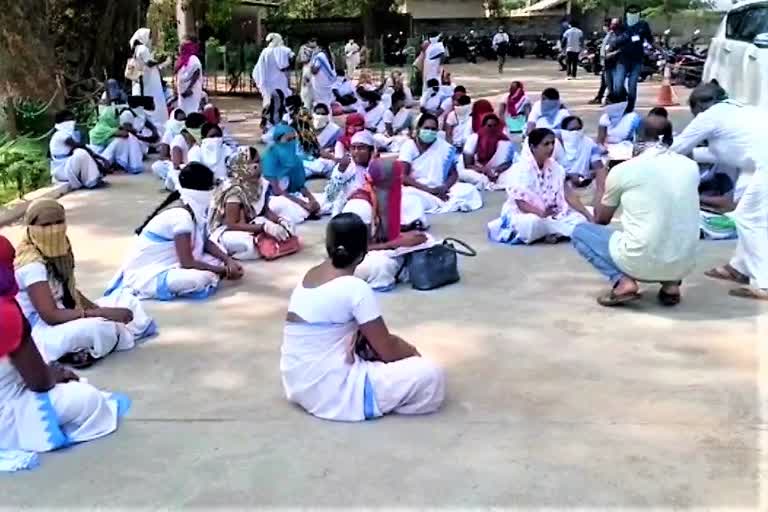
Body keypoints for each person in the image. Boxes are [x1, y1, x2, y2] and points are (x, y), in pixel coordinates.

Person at [280, 212, 445, 422]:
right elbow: (387, 348)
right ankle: (376, 398)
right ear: (364, 252)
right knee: (430, 374)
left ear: (328, 246)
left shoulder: (311, 274)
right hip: (331, 392)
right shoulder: (355, 288)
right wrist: (413, 353)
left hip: (296, 383)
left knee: (366, 344)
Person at [0, 235, 129, 462]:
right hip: (7, 413)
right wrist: (56, 374)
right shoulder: (7, 314)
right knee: (87, 397)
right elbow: (39, 383)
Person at [572, 115, 700, 306]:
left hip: (639, 261)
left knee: (580, 232)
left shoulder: (624, 170)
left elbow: (601, 219)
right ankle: (671, 286)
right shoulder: (691, 167)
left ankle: (623, 283)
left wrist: (601, 183)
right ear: (670, 140)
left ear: (636, 139)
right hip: (683, 262)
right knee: (673, 222)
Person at [14, 199, 154, 367]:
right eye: (45, 225)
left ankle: (91, 344)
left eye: (59, 222)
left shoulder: (60, 247)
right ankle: (75, 350)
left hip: (66, 312)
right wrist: (100, 313)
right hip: (42, 330)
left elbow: (69, 289)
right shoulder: (32, 265)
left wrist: (97, 308)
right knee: (101, 328)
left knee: (127, 301)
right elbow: (50, 316)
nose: (54, 229)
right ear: (31, 227)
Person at [670, 82, 768, 300]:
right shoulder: (741, 110)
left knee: (749, 218)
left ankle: (764, 282)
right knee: (747, 213)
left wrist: (646, 156)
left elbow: (676, 148)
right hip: (755, 165)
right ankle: (740, 267)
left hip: (763, 165)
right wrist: (693, 155)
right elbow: (729, 151)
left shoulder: (710, 116)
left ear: (699, 106)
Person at [106, 163, 244, 301]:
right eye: (211, 187)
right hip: (148, 271)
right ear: (202, 190)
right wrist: (224, 270)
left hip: (173, 261)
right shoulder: (181, 216)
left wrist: (228, 260)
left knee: (218, 255)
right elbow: (187, 262)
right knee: (199, 279)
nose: (213, 191)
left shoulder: (193, 209)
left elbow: (205, 242)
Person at [487, 128, 591, 245]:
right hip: (525, 214)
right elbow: (520, 203)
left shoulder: (556, 168)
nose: (551, 147)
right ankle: (556, 232)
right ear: (532, 147)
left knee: (581, 218)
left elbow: (568, 195)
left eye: (552, 143)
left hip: (552, 213)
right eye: (546, 144)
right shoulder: (519, 170)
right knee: (532, 223)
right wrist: (542, 214)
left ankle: (552, 232)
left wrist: (587, 215)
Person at [209, 150, 294, 260]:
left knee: (287, 227)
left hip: (250, 223)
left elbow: (265, 210)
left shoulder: (260, 184)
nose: (257, 166)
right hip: (227, 230)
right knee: (248, 243)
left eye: (259, 161)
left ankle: (266, 244)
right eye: (254, 162)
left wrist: (280, 221)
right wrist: (264, 227)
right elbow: (232, 224)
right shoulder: (234, 191)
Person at [398, 113, 483, 216]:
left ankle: (438, 200)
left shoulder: (444, 147)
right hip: (418, 189)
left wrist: (444, 188)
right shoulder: (409, 146)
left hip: (441, 188)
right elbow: (403, 176)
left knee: (469, 190)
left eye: (433, 129)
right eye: (426, 128)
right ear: (419, 128)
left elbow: (453, 174)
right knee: (408, 198)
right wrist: (428, 190)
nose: (430, 131)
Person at [263, 124, 323, 225]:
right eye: (288, 140)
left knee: (323, 200)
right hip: (274, 197)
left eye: (294, 139)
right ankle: (305, 211)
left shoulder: (295, 159)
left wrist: (312, 199)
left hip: (292, 195)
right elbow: (276, 191)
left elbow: (300, 186)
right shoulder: (269, 158)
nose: (292, 143)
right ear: (278, 141)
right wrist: (303, 203)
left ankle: (307, 211)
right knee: (279, 205)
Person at [610, 5, 653, 111]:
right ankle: (620, 103)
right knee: (618, 85)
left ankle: (629, 108)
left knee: (632, 86)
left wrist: (662, 51)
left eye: (635, 13)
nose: (633, 15)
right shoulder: (622, 25)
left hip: (637, 59)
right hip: (622, 59)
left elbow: (650, 40)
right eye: (631, 13)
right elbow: (614, 41)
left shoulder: (643, 25)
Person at [48, 111, 103, 189]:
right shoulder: (60, 135)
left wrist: (99, 158)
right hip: (61, 171)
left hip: (66, 166)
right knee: (81, 153)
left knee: (84, 151)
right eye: (69, 120)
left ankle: (94, 178)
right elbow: (80, 146)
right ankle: (91, 181)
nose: (72, 122)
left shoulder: (68, 133)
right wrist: (99, 159)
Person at [461, 112, 516, 190]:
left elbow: (509, 162)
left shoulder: (504, 140)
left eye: (495, 126)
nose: (492, 128)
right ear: (483, 126)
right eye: (489, 126)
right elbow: (468, 165)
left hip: (497, 172)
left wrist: (496, 171)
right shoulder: (473, 138)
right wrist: (485, 171)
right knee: (464, 173)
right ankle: (488, 183)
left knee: (514, 174)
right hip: (478, 171)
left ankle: (493, 182)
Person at [252, 33, 295, 130]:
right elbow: (292, 57)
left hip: (268, 82)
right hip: (280, 81)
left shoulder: (265, 52)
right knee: (282, 100)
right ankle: (282, 122)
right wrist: (287, 66)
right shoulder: (284, 50)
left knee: (268, 101)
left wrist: (261, 81)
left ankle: (267, 123)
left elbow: (258, 69)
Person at [129, 28, 168, 132]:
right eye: (149, 36)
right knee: (155, 99)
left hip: (145, 78)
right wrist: (160, 61)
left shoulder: (136, 49)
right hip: (150, 79)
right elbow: (149, 63)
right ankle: (158, 123)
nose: (150, 39)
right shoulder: (143, 49)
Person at [88, 107, 146, 175]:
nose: (117, 119)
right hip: (98, 158)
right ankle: (128, 164)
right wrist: (125, 128)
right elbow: (125, 134)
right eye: (115, 117)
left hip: (100, 155)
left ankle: (124, 164)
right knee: (121, 140)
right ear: (109, 118)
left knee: (127, 139)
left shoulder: (105, 126)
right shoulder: (102, 128)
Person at [556, 116, 605, 187]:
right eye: (572, 130)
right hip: (560, 184)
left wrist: (592, 173)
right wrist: (569, 176)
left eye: (578, 129)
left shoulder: (589, 143)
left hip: (584, 183)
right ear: (564, 131)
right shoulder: (555, 145)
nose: (576, 132)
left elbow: (598, 166)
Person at [590, 18, 621, 104]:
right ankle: (601, 97)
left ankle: (609, 98)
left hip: (612, 62)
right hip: (606, 61)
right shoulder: (610, 34)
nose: (604, 27)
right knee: (605, 81)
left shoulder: (616, 35)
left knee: (609, 82)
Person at [175, 39, 203, 115]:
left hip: (191, 90)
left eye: (181, 47)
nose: (179, 49)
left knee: (192, 110)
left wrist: (189, 88)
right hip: (182, 91)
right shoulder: (181, 59)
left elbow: (196, 73)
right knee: (183, 110)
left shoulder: (193, 59)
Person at [310, 42, 337, 109]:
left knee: (321, 100)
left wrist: (311, 66)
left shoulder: (320, 56)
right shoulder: (329, 55)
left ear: (320, 48)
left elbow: (314, 71)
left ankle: (323, 112)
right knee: (327, 99)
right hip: (328, 81)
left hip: (320, 82)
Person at [298, 38, 319, 109]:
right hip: (307, 70)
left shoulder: (318, 48)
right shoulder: (303, 48)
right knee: (306, 88)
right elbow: (302, 59)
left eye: (315, 41)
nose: (314, 43)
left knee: (315, 87)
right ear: (308, 41)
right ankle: (306, 105)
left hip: (316, 70)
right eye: (312, 41)